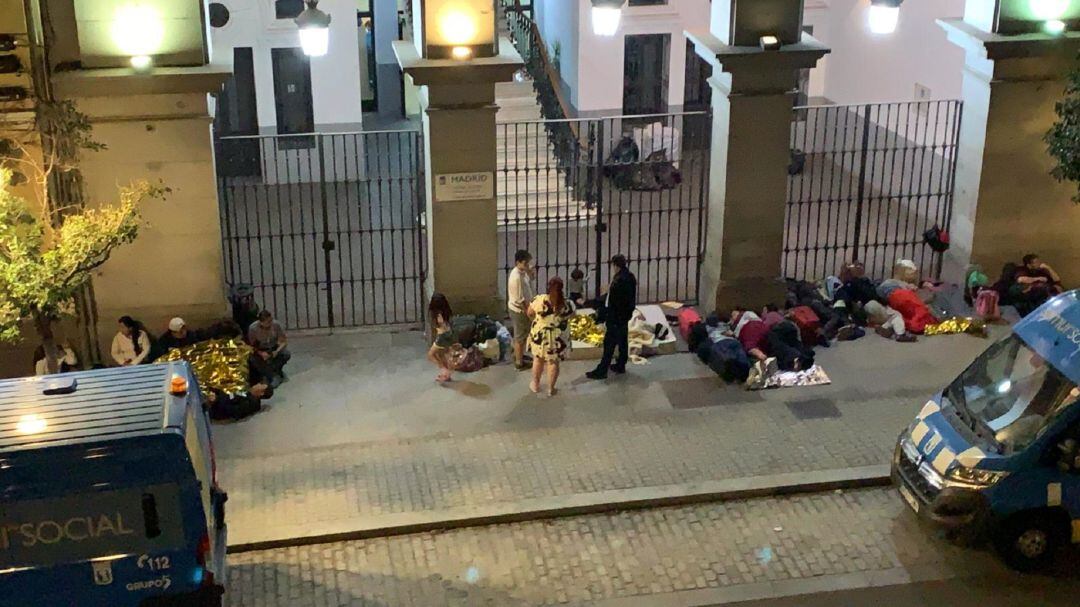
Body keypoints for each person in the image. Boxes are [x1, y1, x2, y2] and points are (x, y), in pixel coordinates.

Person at [587, 255, 637, 380]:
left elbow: (609, 301)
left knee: (609, 343)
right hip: (625, 315)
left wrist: (598, 307)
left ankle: (602, 370)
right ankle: (621, 364)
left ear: (615, 265)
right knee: (622, 340)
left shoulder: (618, 281)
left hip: (615, 317)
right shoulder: (630, 277)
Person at [527, 277, 576, 395]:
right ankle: (550, 388)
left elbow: (529, 313)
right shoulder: (567, 304)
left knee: (538, 359)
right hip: (556, 336)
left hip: (540, 334)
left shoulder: (538, 300)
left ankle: (535, 384)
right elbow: (573, 316)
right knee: (553, 362)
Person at [507, 249, 536, 370]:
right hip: (519, 311)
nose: (527, 265)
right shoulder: (516, 277)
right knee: (520, 337)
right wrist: (528, 311)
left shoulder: (523, 273)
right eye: (525, 263)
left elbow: (531, 281)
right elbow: (520, 299)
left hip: (524, 307)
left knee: (523, 335)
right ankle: (519, 362)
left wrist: (530, 272)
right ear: (518, 262)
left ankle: (520, 355)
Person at [247, 310, 290, 387]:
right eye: (268, 322)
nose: (270, 323)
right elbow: (251, 345)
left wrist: (277, 351)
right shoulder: (253, 328)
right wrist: (261, 353)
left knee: (285, 354)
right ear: (261, 322)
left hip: (273, 347)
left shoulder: (276, 325)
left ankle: (276, 372)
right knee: (252, 359)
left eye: (271, 321)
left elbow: (283, 341)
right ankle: (269, 374)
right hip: (261, 348)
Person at [427, 293, 456, 383]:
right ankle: (446, 375)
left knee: (431, 355)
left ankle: (444, 370)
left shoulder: (438, 314)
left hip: (442, 337)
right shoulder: (446, 311)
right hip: (448, 334)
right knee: (442, 355)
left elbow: (440, 324)